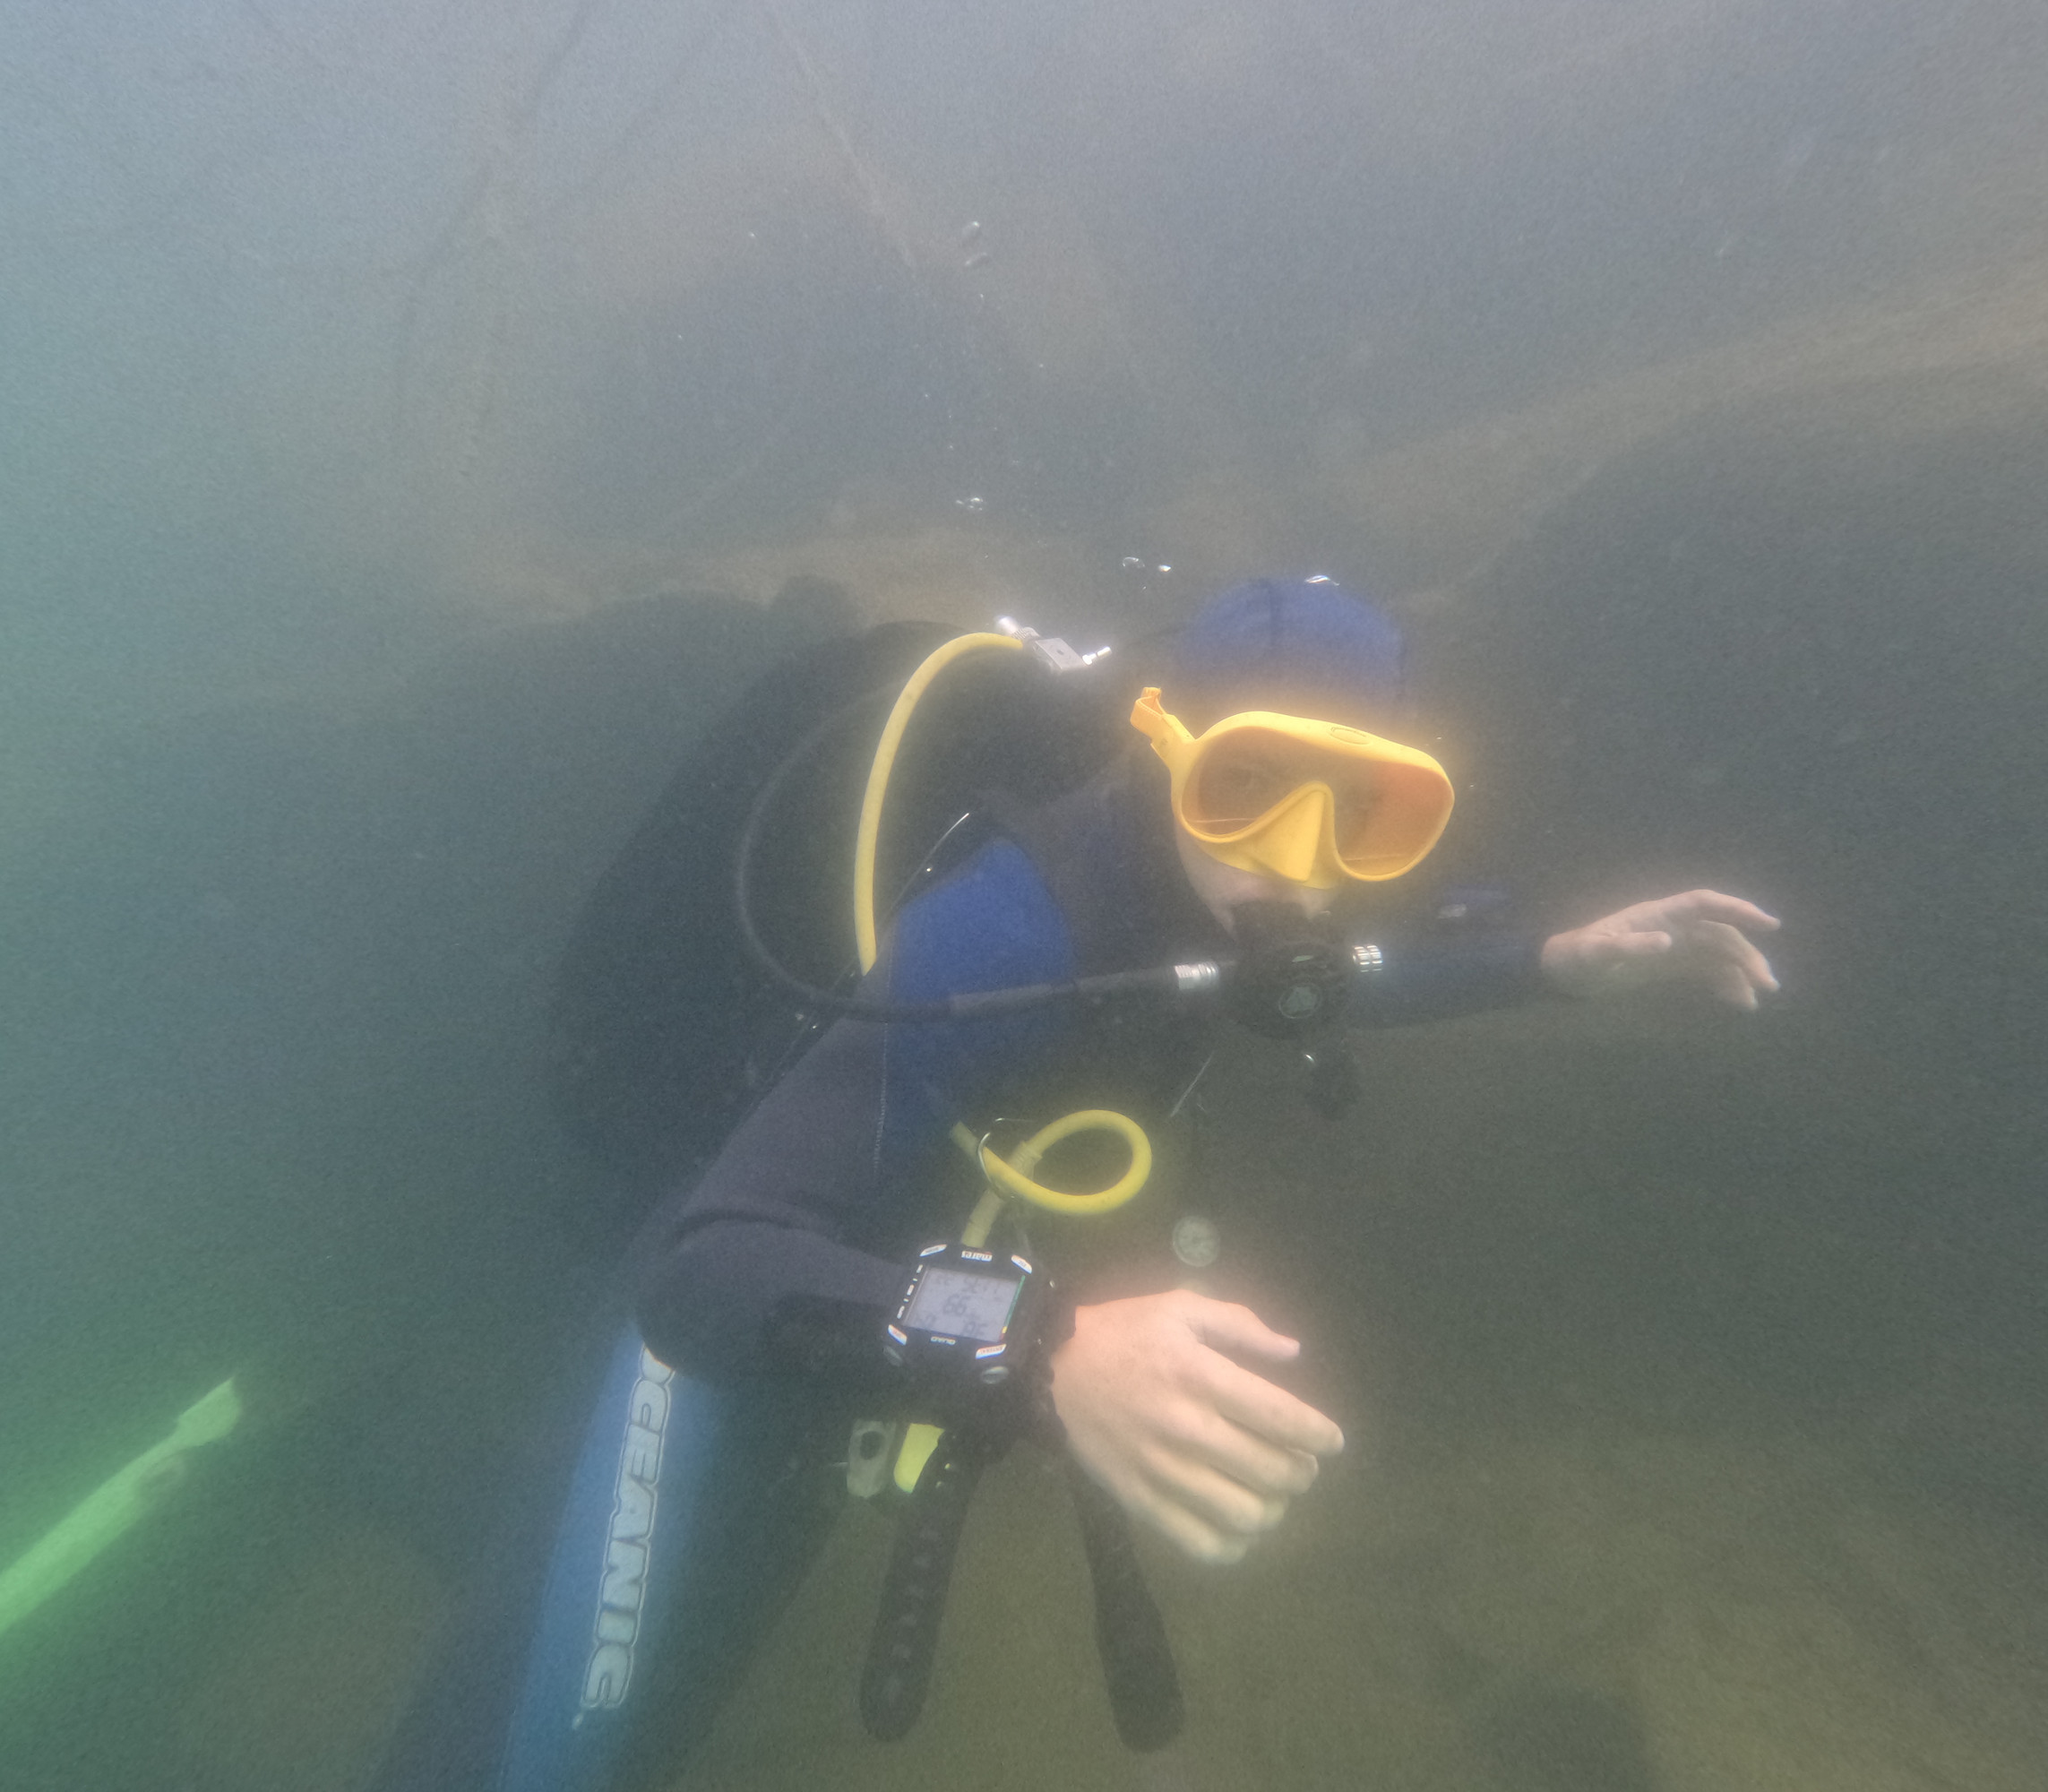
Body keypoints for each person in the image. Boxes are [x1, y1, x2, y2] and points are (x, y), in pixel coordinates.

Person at [631, 574, 1780, 1572]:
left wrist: (1554, 963)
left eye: (1357, 805)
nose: (1295, 858)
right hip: (812, 1252)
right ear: (1162, 748)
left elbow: (1340, 978)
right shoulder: (1004, 931)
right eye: (1246, 782)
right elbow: (701, 1271)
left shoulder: (1240, 891)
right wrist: (1035, 1340)